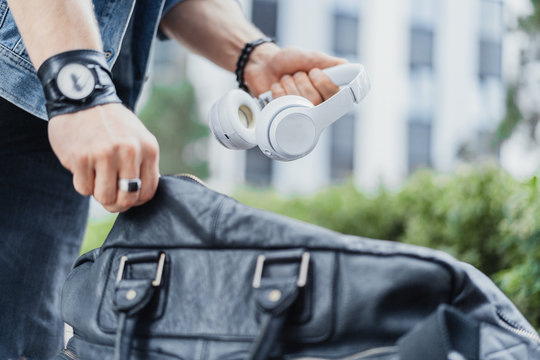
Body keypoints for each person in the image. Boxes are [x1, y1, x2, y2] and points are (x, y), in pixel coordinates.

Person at [0, 0, 346, 358]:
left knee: (25, 342)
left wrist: (255, 57)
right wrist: (81, 90)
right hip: (49, 85)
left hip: (54, 116)